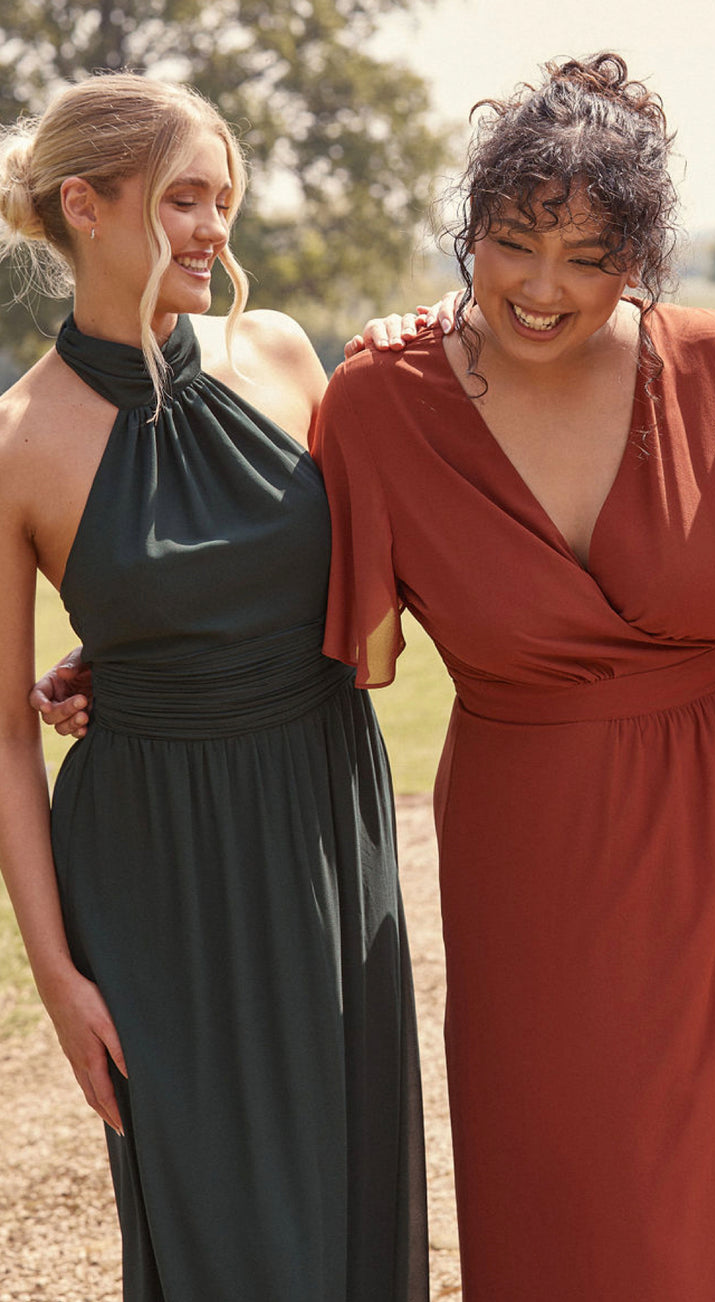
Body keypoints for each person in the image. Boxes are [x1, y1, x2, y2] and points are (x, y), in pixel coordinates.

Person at [312, 53, 715, 1301]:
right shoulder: (379, 402)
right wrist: (125, 668)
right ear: (470, 232)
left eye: (590, 259)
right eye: (513, 243)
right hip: (535, 848)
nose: (543, 290)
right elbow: (309, 621)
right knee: (567, 1167)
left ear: (638, 262)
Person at [0, 74, 426, 1301]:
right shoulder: (21, 443)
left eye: (223, 200)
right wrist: (55, 974)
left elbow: (385, 562)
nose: (214, 229)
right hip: (155, 868)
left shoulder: (285, 354)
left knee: (348, 1182)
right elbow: (2, 741)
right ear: (87, 204)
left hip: (325, 816)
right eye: (184, 199)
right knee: (220, 1221)